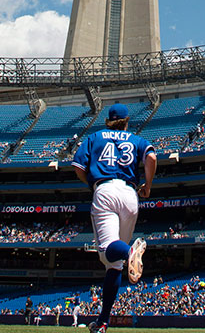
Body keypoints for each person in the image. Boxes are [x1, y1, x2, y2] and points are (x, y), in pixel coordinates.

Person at [72, 103, 157, 333]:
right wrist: (147, 187)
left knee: (110, 250)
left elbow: (78, 167)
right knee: (115, 265)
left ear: (108, 121)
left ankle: (131, 251)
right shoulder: (136, 139)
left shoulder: (95, 136)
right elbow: (151, 158)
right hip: (130, 194)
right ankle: (102, 322)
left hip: (105, 190)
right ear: (127, 121)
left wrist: (91, 183)